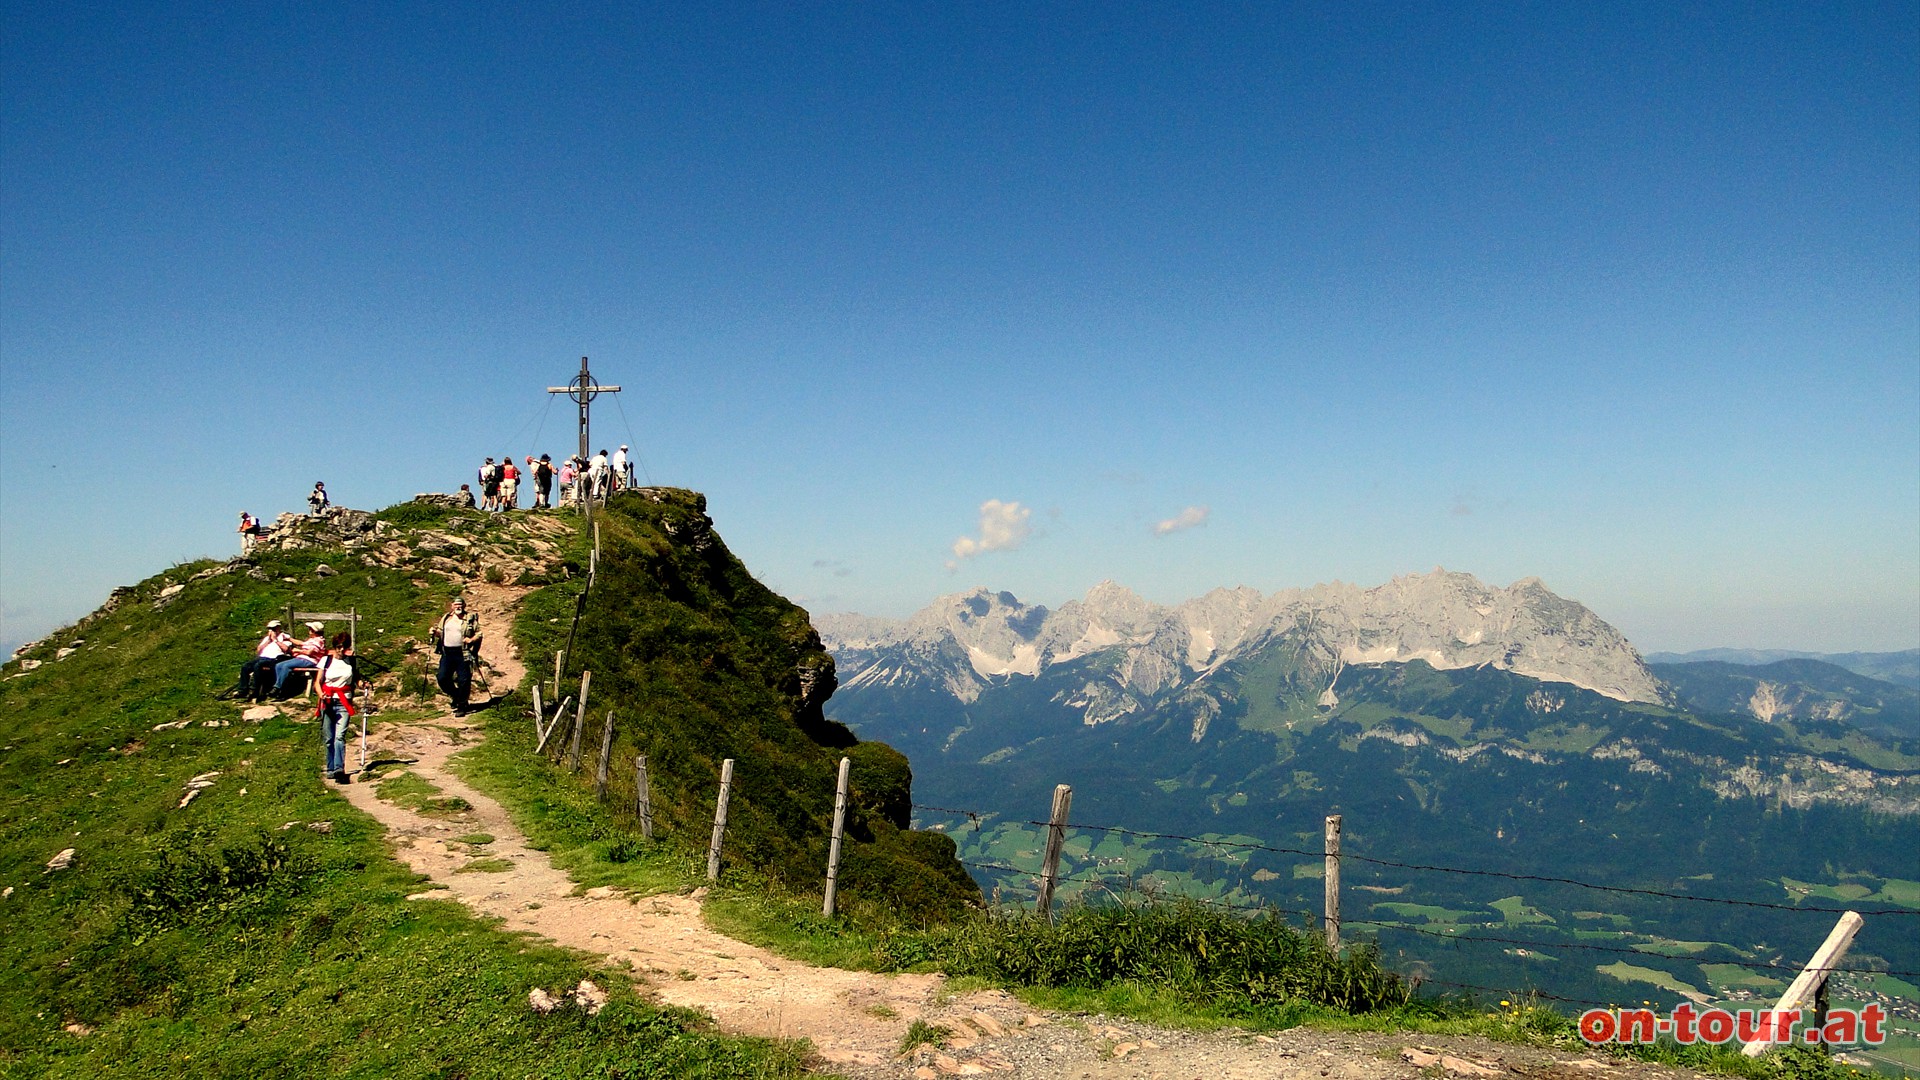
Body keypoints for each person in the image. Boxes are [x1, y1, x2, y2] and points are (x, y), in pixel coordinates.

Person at [314, 633, 359, 783]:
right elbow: (317, 682)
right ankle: (330, 768)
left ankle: (339, 768)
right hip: (328, 701)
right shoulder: (325, 661)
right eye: (339, 647)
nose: (341, 650)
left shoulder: (351, 662)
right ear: (334, 647)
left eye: (344, 647)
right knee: (329, 738)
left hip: (344, 702)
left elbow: (356, 679)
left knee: (340, 736)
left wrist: (362, 684)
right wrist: (321, 695)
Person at [430, 597, 481, 715]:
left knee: (463, 680)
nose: (458, 607)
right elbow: (441, 633)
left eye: (460, 605)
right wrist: (434, 632)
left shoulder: (470, 618)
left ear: (464, 606)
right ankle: (457, 696)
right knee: (442, 678)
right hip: (447, 653)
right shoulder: (446, 618)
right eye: (456, 605)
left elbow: (479, 633)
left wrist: (471, 639)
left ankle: (462, 705)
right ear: (452, 606)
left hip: (462, 653)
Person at [236, 619, 293, 701]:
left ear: (278, 628)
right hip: (262, 657)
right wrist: (268, 641)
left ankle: (255, 689)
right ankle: (242, 690)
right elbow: (259, 650)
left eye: (273, 629)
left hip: (274, 659)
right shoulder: (267, 638)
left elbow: (286, 649)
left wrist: (275, 640)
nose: (271, 631)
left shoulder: (284, 637)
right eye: (269, 629)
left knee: (258, 666)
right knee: (245, 666)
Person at [272, 622, 328, 698]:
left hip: (310, 660)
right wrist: (289, 638)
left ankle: (278, 688)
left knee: (286, 666)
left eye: (310, 629)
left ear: (314, 631)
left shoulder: (318, 641)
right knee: (278, 665)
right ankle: (278, 686)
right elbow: (301, 643)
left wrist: (297, 651)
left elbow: (309, 652)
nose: (309, 631)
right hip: (302, 658)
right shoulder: (312, 639)